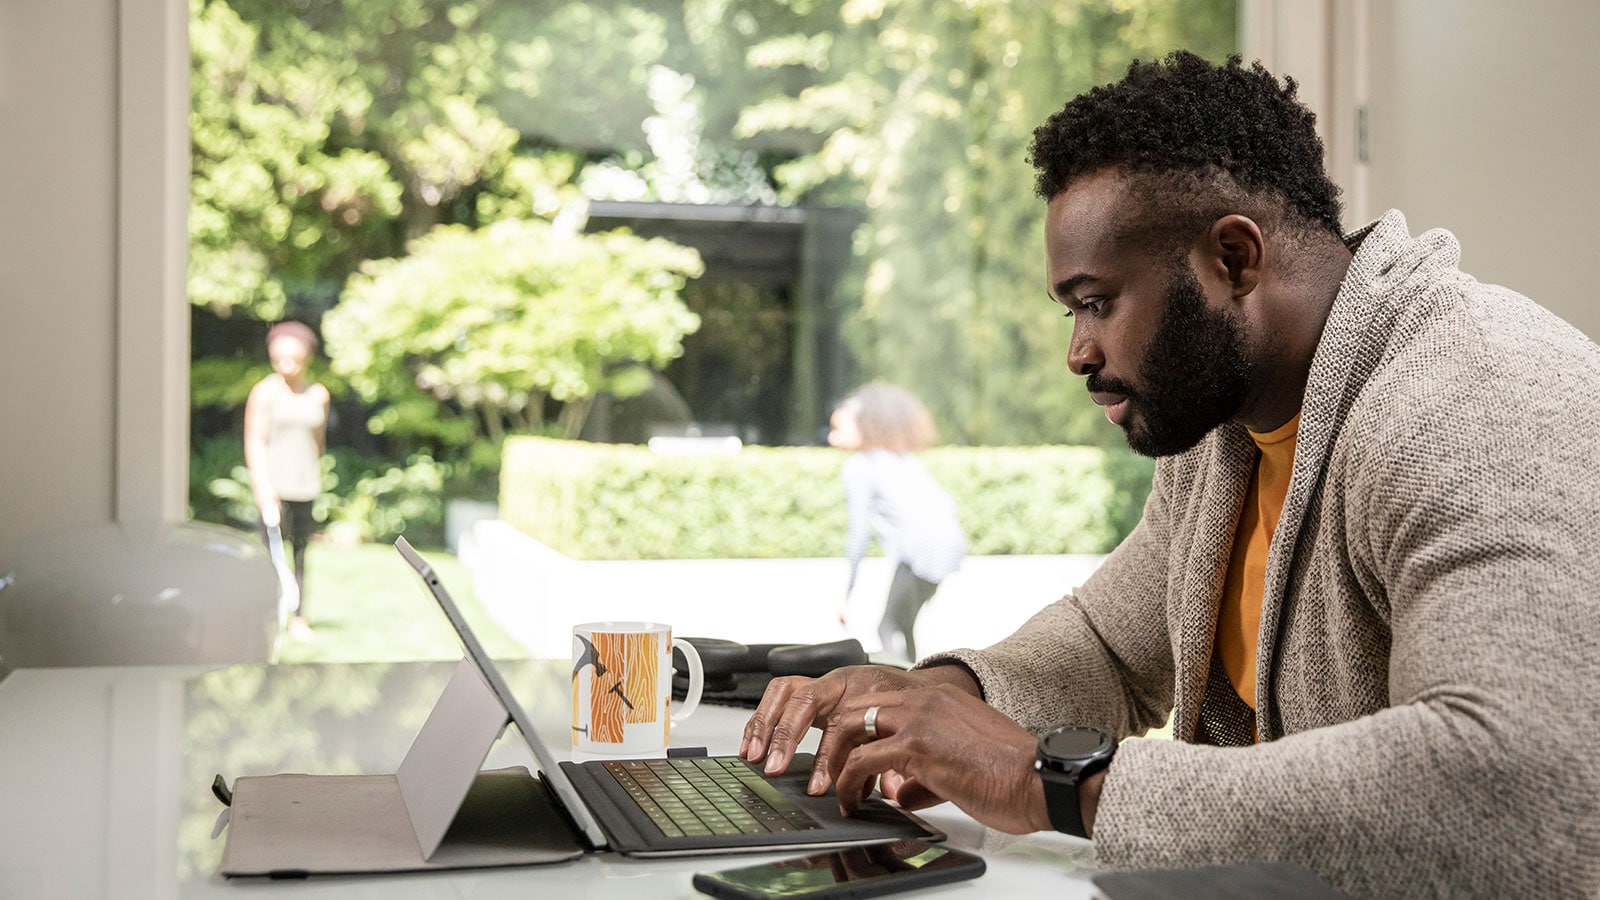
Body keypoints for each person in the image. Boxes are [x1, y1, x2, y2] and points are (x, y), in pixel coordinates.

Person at [739, 51, 1600, 900]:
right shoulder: (1226, 425)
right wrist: (929, 702)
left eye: (1097, 301)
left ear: (1232, 259)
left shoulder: (1476, 396)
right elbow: (1112, 647)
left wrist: (1045, 781)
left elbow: (1516, 783)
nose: (1078, 352)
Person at [827, 383, 966, 661]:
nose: (832, 438)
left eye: (839, 429)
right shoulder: (900, 460)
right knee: (904, 624)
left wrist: (847, 593)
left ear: (864, 425)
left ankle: (902, 685)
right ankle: (915, 677)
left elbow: (858, 533)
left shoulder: (859, 467)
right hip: (948, 547)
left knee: (887, 626)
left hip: (920, 552)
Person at [244, 321, 330, 640]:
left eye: (293, 358)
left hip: (305, 486)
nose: (286, 365)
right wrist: (263, 488)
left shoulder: (318, 394)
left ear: (307, 356)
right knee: (270, 556)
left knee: (300, 554)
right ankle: (266, 616)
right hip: (274, 489)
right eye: (279, 359)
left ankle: (298, 616)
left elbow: (318, 441)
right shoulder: (264, 392)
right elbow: (254, 441)